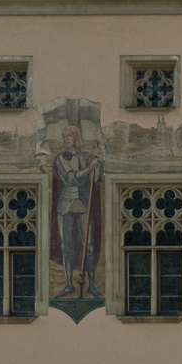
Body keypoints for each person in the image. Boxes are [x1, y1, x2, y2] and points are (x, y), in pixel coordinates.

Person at [49, 123, 102, 299]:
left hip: (83, 201)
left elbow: (96, 179)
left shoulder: (85, 156)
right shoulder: (60, 158)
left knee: (89, 246)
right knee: (66, 246)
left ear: (76, 137)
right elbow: (70, 179)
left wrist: (98, 161)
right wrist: (89, 168)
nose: (66, 140)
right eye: (64, 137)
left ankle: (92, 285)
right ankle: (69, 285)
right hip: (66, 202)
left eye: (69, 136)